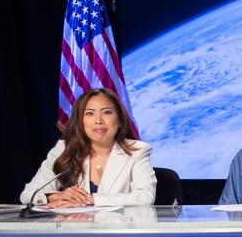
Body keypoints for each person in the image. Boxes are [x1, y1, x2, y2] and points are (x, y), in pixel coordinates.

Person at [20, 88, 156, 206]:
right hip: (77, 233)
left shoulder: (138, 150)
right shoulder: (64, 149)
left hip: (118, 232)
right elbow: (27, 195)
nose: (98, 120)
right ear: (80, 122)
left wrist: (91, 200)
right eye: (89, 113)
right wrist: (54, 197)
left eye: (107, 112)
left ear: (120, 120)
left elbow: (145, 197)